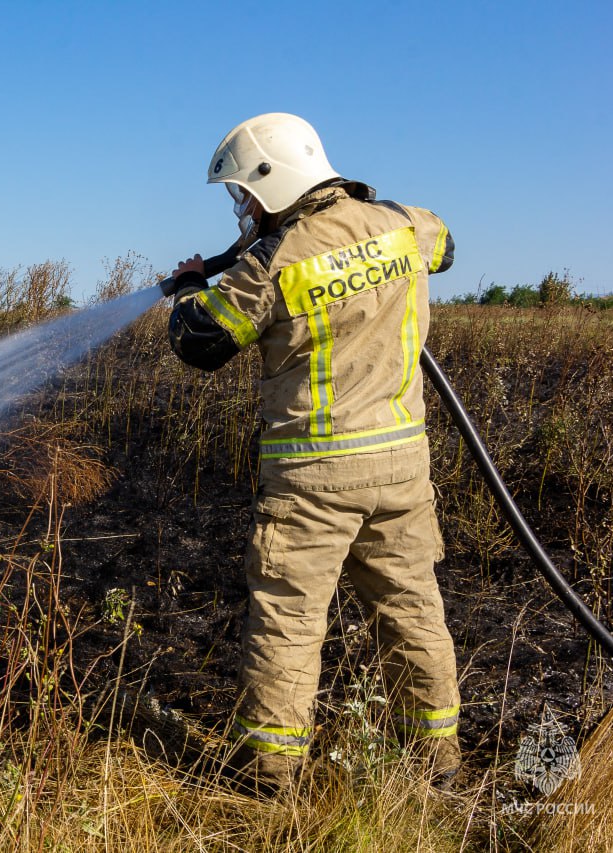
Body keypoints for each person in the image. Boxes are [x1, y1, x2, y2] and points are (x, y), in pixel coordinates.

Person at [164, 113, 460, 793]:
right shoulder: (406, 224)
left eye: (245, 193)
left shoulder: (274, 263)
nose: (243, 208)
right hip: (401, 468)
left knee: (290, 621)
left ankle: (270, 778)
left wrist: (188, 289)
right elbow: (446, 250)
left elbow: (200, 342)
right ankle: (438, 766)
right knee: (412, 609)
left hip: (313, 478)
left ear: (274, 180)